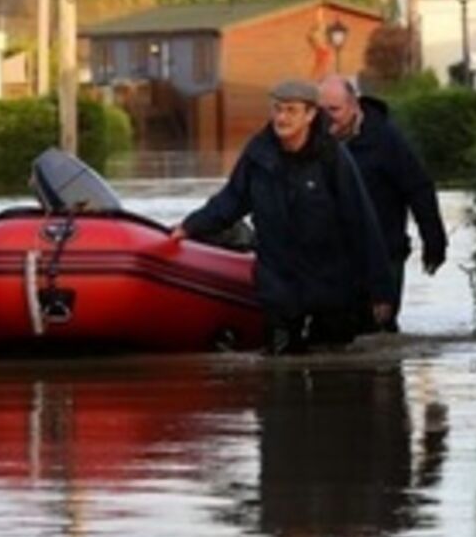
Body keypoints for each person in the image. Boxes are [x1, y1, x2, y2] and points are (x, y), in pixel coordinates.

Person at [169, 79, 394, 355]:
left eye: (290, 110)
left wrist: (380, 289)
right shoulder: (258, 153)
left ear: (310, 115)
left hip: (330, 285)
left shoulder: (332, 157)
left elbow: (361, 221)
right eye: (277, 109)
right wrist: (189, 227)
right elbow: (230, 201)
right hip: (279, 285)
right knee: (279, 370)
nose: (282, 118)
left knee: (334, 373)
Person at [317, 74, 448, 333]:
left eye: (334, 110)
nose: (326, 118)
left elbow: (419, 189)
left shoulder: (387, 140)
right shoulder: (314, 142)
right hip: (333, 257)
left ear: (354, 105)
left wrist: (434, 242)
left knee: (378, 331)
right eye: (320, 111)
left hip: (386, 252)